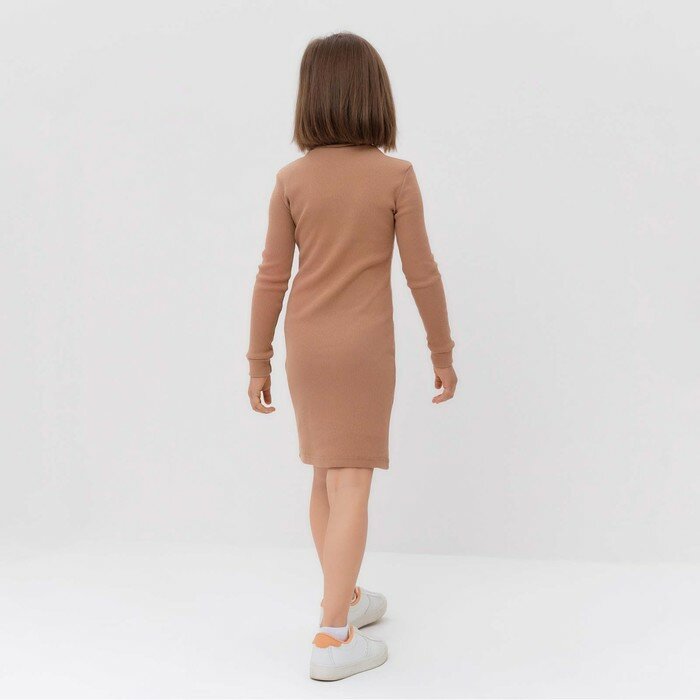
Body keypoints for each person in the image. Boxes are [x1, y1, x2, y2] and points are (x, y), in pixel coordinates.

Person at [246, 32, 457, 681]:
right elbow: (421, 273)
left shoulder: (291, 180)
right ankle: (334, 634)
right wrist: (442, 350)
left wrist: (258, 360)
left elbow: (271, 277)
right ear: (374, 95)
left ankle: (346, 596)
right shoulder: (395, 176)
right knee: (352, 481)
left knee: (324, 477)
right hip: (363, 350)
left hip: (306, 348)